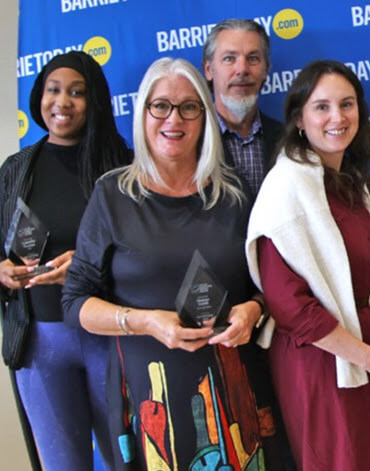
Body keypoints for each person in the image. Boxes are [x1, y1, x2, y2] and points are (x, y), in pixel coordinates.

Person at [61, 57, 278, 471]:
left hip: (234, 395)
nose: (173, 119)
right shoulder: (112, 195)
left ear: (204, 116)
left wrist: (254, 309)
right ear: (143, 113)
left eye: (188, 107)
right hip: (151, 396)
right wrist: (143, 322)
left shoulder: (233, 195)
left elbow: (268, 286)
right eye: (160, 105)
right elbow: (75, 304)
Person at [245, 60, 370, 471]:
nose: (337, 117)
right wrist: (365, 356)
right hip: (322, 364)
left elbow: (359, 280)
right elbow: (290, 307)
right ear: (299, 119)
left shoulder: (349, 182)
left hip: (366, 350)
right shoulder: (286, 188)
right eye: (322, 107)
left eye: (347, 104)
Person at [0, 50, 130, 471]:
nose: (63, 102)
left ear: (94, 102)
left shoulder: (121, 166)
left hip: (108, 339)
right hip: (40, 344)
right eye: (54, 90)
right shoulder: (16, 169)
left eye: (77, 93)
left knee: (128, 462)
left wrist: (88, 266)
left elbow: (146, 254)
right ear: (39, 95)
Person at [202, 18, 283, 197]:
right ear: (209, 70)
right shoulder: (193, 139)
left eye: (253, 59)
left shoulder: (288, 139)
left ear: (266, 70)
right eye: (229, 59)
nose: (242, 69)